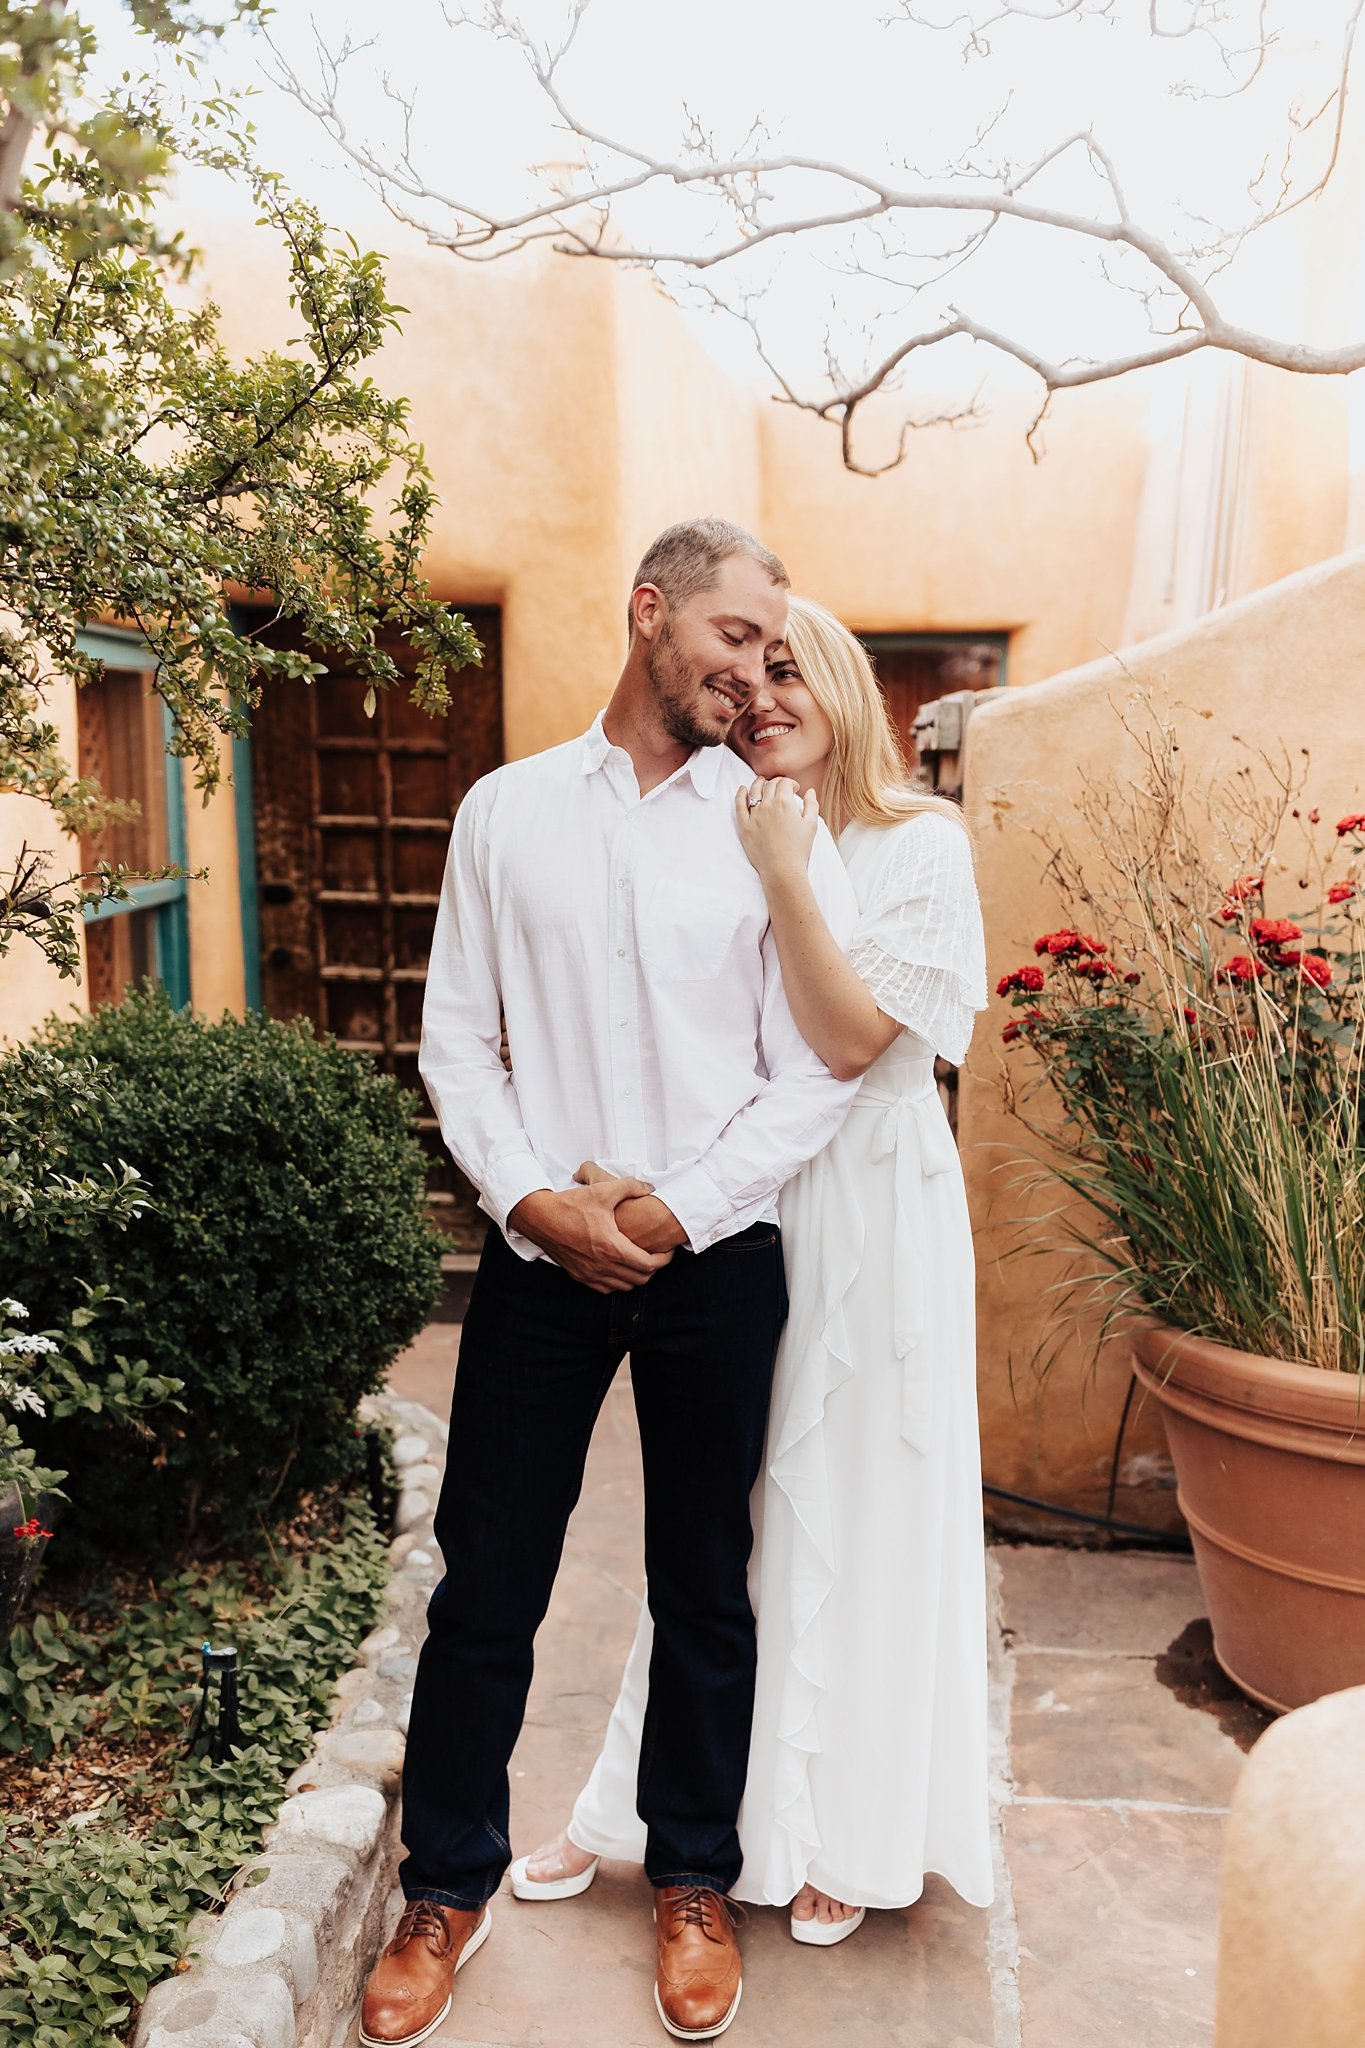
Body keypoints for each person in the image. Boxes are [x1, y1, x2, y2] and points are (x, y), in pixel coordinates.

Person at [359, 521, 862, 2048]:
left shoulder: (776, 827)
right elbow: (460, 1039)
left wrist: (670, 1206)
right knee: (487, 1588)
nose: (750, 670)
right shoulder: (507, 815)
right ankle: (444, 1891)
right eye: (729, 636)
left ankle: (693, 1879)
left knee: (705, 1582)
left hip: (714, 1262)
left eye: (771, 649)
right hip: (535, 1263)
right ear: (650, 617)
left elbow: (813, 1075)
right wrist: (528, 1200)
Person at [511, 596, 993, 1948]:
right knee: (713, 1531)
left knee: (866, 1502)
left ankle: (854, 1829)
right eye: (745, 674)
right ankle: (637, 1816)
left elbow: (846, 1044)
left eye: (788, 670)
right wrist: (630, 1187)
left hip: (876, 1212)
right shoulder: (707, 829)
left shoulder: (918, 847)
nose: (762, 695)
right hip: (740, 1207)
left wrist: (785, 870)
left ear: (839, 685)